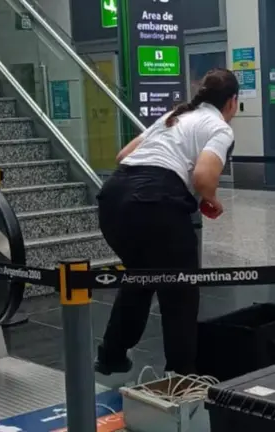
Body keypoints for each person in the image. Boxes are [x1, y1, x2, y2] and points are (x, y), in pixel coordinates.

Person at [94, 68, 239, 375]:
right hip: (155, 204)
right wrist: (211, 200)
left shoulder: (175, 115)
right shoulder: (219, 128)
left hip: (113, 199)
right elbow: (203, 177)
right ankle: (181, 376)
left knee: (141, 277)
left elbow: (123, 156)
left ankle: (111, 355)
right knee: (181, 292)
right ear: (232, 102)